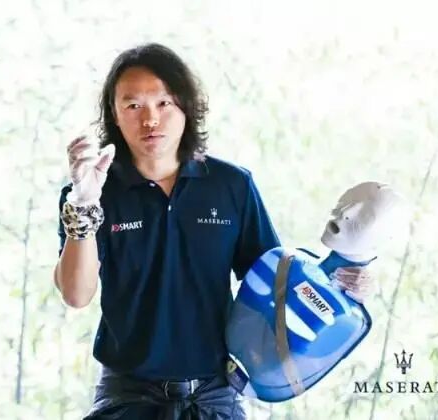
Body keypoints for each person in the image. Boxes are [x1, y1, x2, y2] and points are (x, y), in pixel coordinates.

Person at [54, 43, 371, 419]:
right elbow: (76, 294)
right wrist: (84, 204)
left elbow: (276, 285)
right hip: (127, 397)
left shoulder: (230, 185)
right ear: (114, 114)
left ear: (186, 106)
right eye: (133, 105)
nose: (150, 120)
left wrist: (342, 283)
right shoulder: (92, 192)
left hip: (215, 396)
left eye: (163, 103)